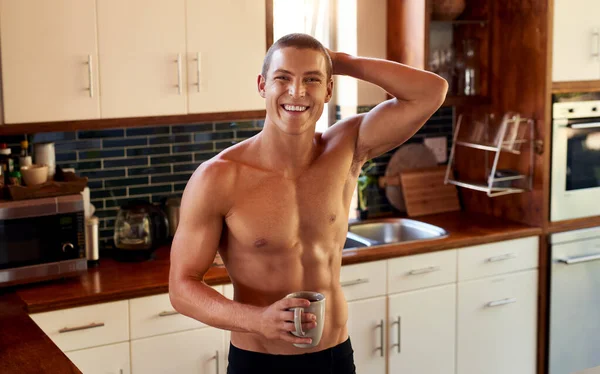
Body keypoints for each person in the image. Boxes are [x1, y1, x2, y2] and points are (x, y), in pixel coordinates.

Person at [168, 33, 448, 374]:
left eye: (311, 80)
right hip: (260, 363)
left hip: (334, 358)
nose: (297, 92)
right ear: (262, 85)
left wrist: (338, 61)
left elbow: (431, 92)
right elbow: (182, 288)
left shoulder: (346, 148)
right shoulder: (219, 177)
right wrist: (259, 320)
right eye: (283, 78)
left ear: (328, 90)